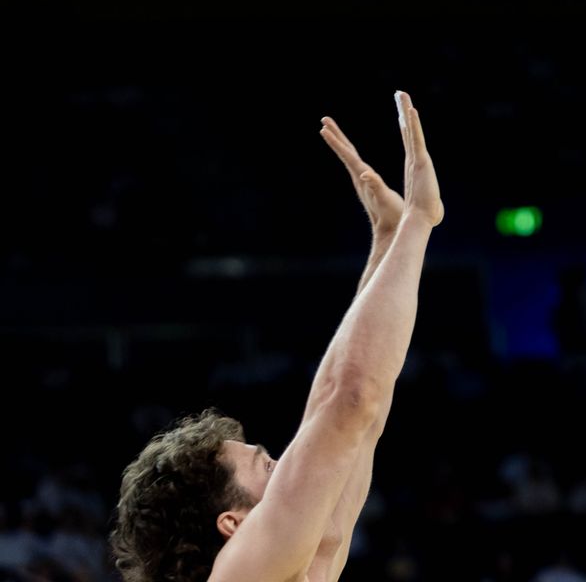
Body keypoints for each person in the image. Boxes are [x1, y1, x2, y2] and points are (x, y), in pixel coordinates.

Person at [109, 91, 444, 582]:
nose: (289, 465)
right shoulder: (236, 572)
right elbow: (349, 399)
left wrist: (387, 241)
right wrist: (419, 222)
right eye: (269, 467)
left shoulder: (303, 558)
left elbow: (345, 423)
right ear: (232, 522)